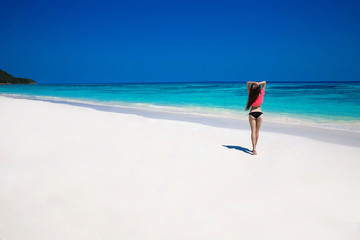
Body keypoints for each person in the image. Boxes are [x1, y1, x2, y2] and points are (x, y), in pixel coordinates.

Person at [245, 81, 266, 155]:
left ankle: (254, 148)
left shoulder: (250, 93)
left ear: (252, 87)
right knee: (257, 132)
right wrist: (258, 83)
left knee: (253, 131)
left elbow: (247, 83)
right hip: (260, 113)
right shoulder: (261, 93)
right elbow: (265, 82)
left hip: (252, 113)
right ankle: (255, 148)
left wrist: (254, 83)